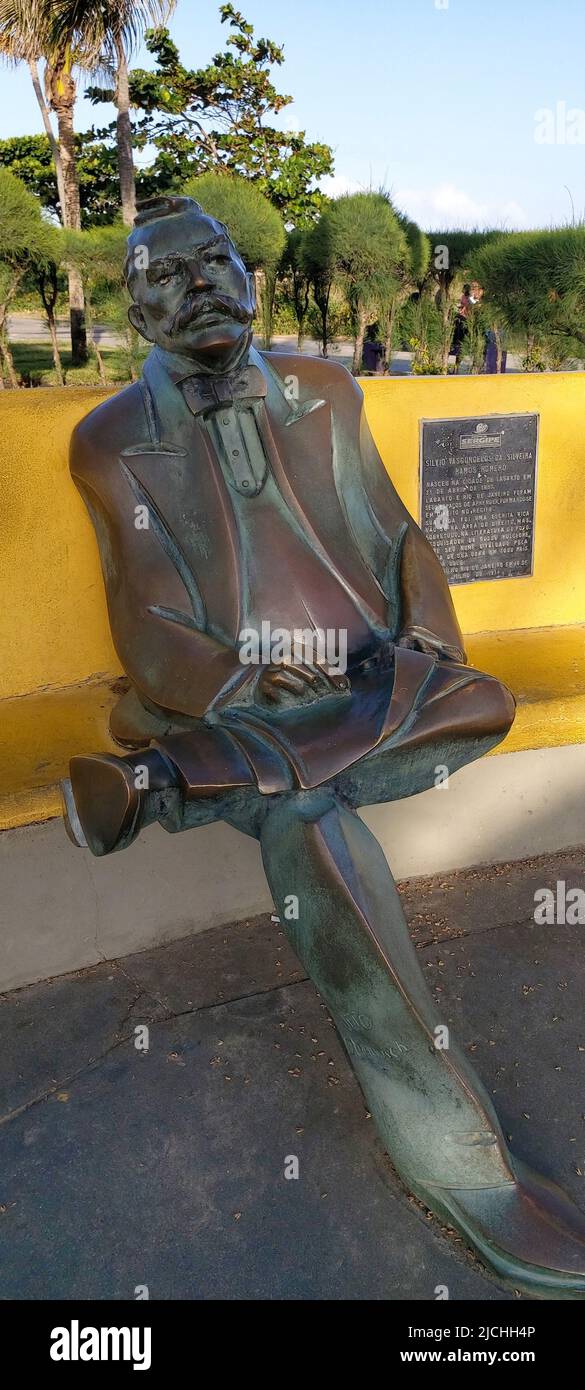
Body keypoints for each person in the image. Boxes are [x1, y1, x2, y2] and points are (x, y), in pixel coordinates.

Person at [62, 197, 585, 1295]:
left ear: (250, 274)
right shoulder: (109, 441)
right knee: (308, 821)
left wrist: (421, 646)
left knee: (479, 701)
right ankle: (459, 1159)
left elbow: (398, 534)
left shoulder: (330, 391)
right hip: (225, 698)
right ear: (135, 301)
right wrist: (240, 680)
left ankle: (165, 788)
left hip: (365, 685)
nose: (202, 282)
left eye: (220, 260)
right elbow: (147, 618)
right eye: (170, 272)